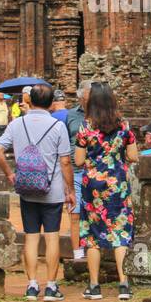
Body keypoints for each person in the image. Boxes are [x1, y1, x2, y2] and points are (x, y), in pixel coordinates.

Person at [0, 83, 74, 302]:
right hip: (52, 189)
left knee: (30, 237)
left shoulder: (17, 123)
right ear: (50, 103)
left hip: (26, 188)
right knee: (51, 237)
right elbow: (65, 161)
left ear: (30, 100)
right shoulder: (57, 126)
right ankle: (50, 286)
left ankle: (31, 285)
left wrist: (11, 174)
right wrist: (71, 189)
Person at [74, 83, 139, 301]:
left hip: (93, 185)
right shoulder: (124, 126)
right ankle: (124, 284)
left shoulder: (85, 127)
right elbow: (133, 156)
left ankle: (94, 286)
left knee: (93, 234)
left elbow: (78, 160)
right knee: (120, 232)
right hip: (118, 183)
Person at [66, 82, 91, 255]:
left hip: (96, 170)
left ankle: (93, 250)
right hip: (75, 170)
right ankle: (77, 253)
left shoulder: (101, 115)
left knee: (95, 212)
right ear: (81, 97)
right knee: (75, 213)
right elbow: (66, 138)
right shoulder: (71, 115)